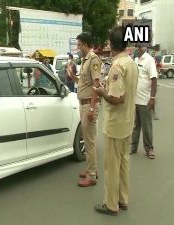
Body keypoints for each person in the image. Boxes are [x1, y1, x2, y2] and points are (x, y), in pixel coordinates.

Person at [93, 26, 138, 216]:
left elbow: (116, 98)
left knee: (112, 166)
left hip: (115, 124)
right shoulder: (131, 63)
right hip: (127, 122)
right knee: (123, 162)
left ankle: (111, 205)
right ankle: (123, 199)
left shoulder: (117, 66)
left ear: (111, 44)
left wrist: (102, 91)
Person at [75, 32, 101, 187]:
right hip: (83, 104)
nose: (78, 47)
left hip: (89, 105)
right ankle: (92, 169)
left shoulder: (93, 59)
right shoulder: (85, 60)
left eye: (79, 45)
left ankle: (91, 176)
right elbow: (86, 82)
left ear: (85, 44)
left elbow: (96, 85)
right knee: (88, 139)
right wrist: (74, 78)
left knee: (89, 142)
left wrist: (91, 108)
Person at [130, 44, 157, 159]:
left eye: (137, 47)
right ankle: (133, 147)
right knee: (136, 126)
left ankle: (149, 149)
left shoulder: (149, 60)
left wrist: (152, 98)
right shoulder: (135, 60)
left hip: (145, 100)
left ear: (141, 48)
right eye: (135, 47)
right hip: (135, 100)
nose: (135, 49)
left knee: (147, 127)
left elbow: (154, 79)